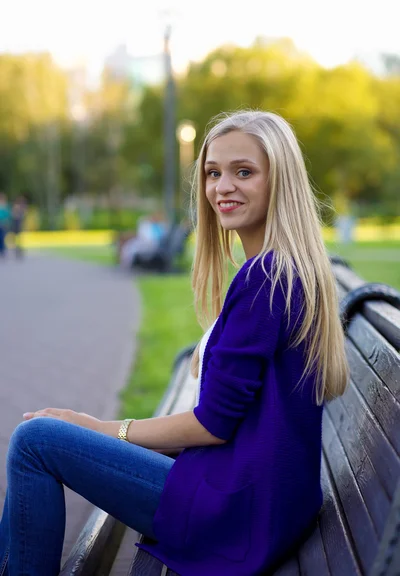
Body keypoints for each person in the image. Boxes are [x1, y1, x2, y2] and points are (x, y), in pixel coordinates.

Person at [0, 110, 349, 575]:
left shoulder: (267, 277)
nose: (222, 186)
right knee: (43, 438)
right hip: (263, 500)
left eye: (243, 172)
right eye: (213, 173)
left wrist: (101, 426)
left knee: (35, 441)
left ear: (279, 180)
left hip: (235, 512)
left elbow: (214, 425)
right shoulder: (282, 268)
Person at [0, 193, 11, 257]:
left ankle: (2, 250)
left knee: (2, 237)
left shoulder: (6, 206)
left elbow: (7, 215)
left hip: (3, 224)